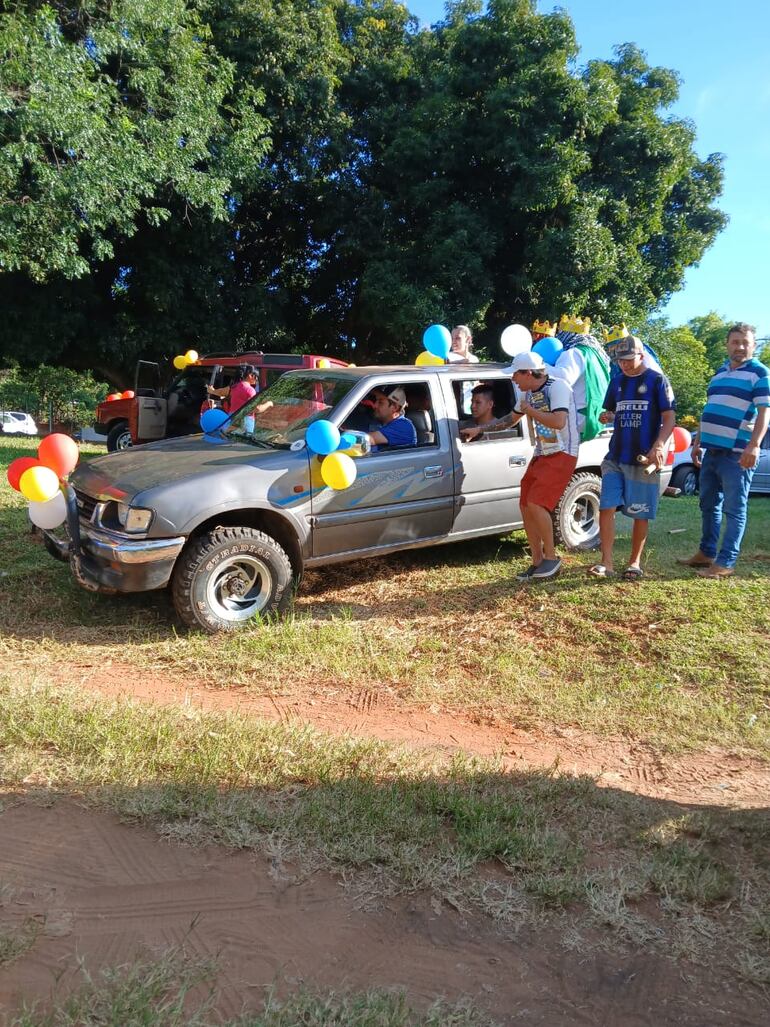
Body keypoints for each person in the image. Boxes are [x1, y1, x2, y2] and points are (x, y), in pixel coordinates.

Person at [462, 351, 579, 581]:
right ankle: (537, 562)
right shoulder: (526, 393)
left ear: (528, 372)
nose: (513, 379)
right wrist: (479, 430)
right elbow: (508, 420)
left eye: (516, 374)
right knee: (525, 504)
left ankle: (552, 559)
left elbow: (558, 421)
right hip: (542, 452)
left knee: (536, 503)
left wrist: (530, 410)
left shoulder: (558, 387)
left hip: (564, 452)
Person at [677, 323, 770, 578]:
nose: (740, 346)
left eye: (745, 342)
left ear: (753, 345)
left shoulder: (760, 373)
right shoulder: (719, 373)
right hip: (712, 451)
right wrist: (697, 442)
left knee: (734, 509)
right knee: (708, 504)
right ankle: (706, 553)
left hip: (737, 454)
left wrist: (754, 446)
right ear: (727, 344)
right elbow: (710, 408)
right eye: (735, 341)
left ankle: (725, 562)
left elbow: (765, 413)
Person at [589, 335, 675, 581]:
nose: (624, 365)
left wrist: (659, 446)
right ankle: (606, 562)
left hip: (643, 458)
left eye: (628, 359)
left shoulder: (657, 381)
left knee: (640, 512)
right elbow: (612, 412)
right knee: (606, 506)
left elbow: (669, 417)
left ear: (641, 355)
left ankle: (634, 562)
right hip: (616, 455)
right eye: (620, 360)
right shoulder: (616, 381)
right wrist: (608, 416)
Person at [550, 314, 611, 442]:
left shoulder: (573, 352)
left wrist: (538, 365)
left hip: (576, 418)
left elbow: (563, 379)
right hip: (593, 417)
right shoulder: (596, 353)